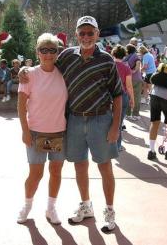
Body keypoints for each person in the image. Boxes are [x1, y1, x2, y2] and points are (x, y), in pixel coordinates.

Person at [52, 16, 122, 232]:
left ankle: (110, 212)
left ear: (97, 34)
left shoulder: (107, 60)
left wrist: (115, 127)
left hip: (101, 119)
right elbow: (47, 68)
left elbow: (118, 95)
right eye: (82, 33)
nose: (86, 37)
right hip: (74, 119)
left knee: (104, 167)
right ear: (76, 34)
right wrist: (27, 72)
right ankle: (86, 205)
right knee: (79, 165)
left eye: (90, 33)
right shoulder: (66, 56)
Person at [16, 33, 68, 225]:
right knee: (36, 174)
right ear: (37, 52)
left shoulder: (64, 73)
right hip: (36, 132)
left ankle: (51, 208)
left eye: (52, 50)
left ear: (57, 53)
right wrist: (25, 130)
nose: (48, 54)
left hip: (59, 132)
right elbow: (21, 106)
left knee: (56, 171)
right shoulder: (29, 74)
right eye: (43, 50)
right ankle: (27, 206)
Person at [111, 45, 134, 152]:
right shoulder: (126, 68)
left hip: (108, 97)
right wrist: (132, 99)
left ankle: (107, 144)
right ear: (124, 55)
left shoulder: (109, 65)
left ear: (113, 54)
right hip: (122, 95)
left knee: (106, 121)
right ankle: (117, 145)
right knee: (118, 122)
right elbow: (129, 86)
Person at [123, 44, 143, 120]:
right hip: (136, 79)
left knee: (128, 96)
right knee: (137, 97)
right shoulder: (135, 56)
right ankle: (135, 114)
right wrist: (134, 70)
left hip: (128, 79)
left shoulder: (126, 57)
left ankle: (127, 114)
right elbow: (138, 63)